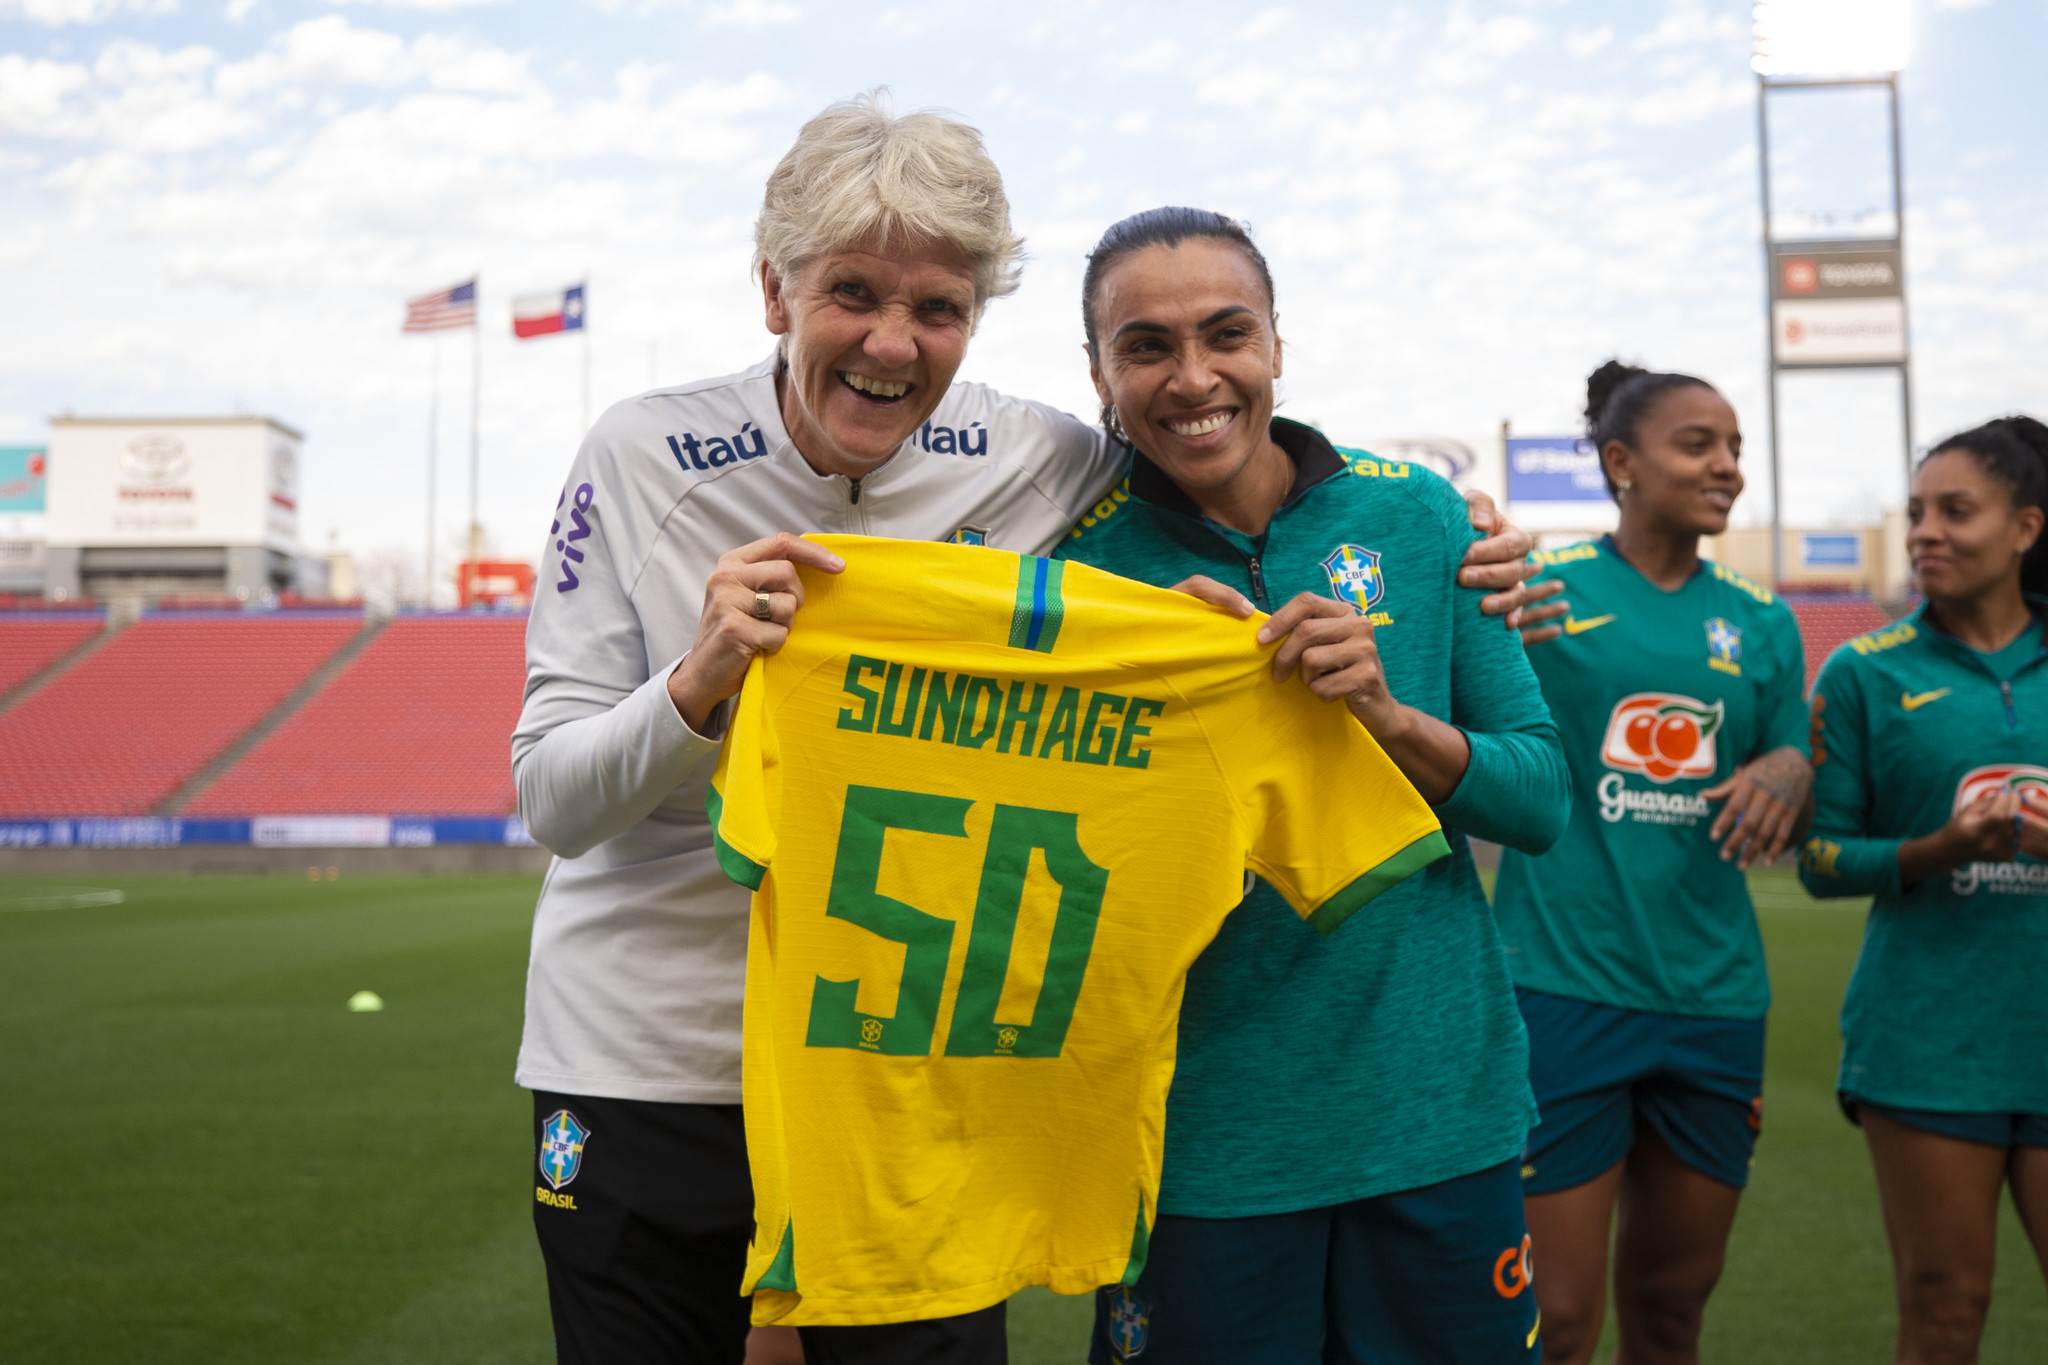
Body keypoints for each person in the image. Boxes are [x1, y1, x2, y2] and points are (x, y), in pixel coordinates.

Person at [511, 96, 1540, 1365]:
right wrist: (696, 684)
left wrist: (1454, 537)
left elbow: (1216, 433)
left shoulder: (1040, 460)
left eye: (937, 308)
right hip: (648, 1056)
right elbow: (550, 800)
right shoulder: (641, 455)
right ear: (774, 292)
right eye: (850, 293)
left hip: (915, 1074)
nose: (892, 343)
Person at [1056, 206, 1568, 1365]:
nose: (1192, 378)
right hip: (1198, 1146)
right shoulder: (1075, 576)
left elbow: (1535, 801)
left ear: (1277, 345)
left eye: (1225, 333)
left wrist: (1384, 719)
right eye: (1144, 346)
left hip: (1436, 1115)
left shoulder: (1417, 515)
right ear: (1096, 371)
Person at [1493, 361, 1812, 1365]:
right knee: (1561, 1320)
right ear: (1619, 462)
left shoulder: (1760, 621)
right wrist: (1482, 629)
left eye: (1733, 449)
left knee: (1672, 1311)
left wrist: (1790, 764)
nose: (1725, 467)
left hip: (1713, 1000)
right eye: (1697, 445)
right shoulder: (1538, 595)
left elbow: (1794, 771)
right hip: (1563, 990)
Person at [1799, 416, 2048, 1365]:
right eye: (1916, 512)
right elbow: (1821, 861)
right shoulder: (1864, 671)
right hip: (1928, 1040)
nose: (1925, 532)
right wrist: (1938, 847)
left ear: (2025, 527)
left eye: (1956, 510)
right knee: (1944, 1314)